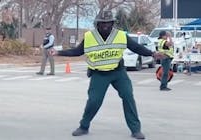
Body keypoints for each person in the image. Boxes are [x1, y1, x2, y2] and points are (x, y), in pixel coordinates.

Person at [50, 10, 164, 139]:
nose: (105, 26)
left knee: (128, 96)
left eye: (108, 23)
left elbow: (136, 47)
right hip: (99, 74)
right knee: (94, 101)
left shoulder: (121, 35)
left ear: (112, 23)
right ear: (97, 24)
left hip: (118, 72)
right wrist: (59, 53)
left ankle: (135, 129)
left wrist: (152, 54)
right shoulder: (89, 37)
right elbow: (77, 51)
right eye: (102, 23)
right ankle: (83, 126)